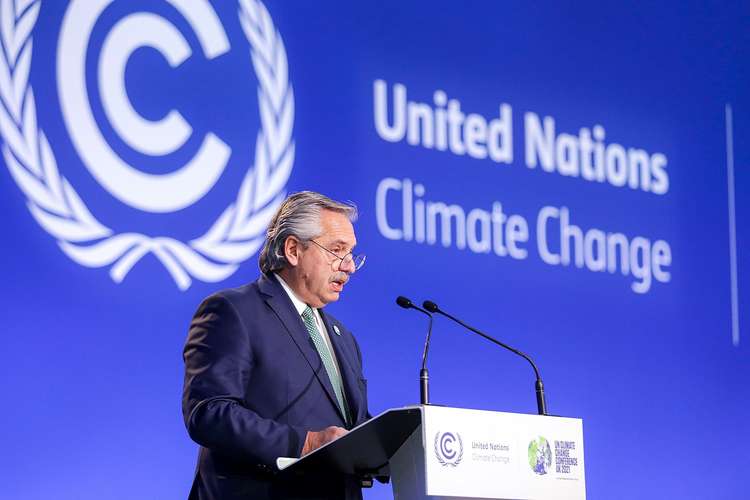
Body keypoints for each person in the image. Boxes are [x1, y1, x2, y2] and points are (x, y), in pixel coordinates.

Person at [182, 191, 370, 500]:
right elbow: (209, 413)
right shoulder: (234, 311)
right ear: (294, 250)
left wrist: (397, 439)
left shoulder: (342, 336)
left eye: (351, 253)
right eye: (337, 250)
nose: (348, 266)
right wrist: (304, 443)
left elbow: (348, 425)